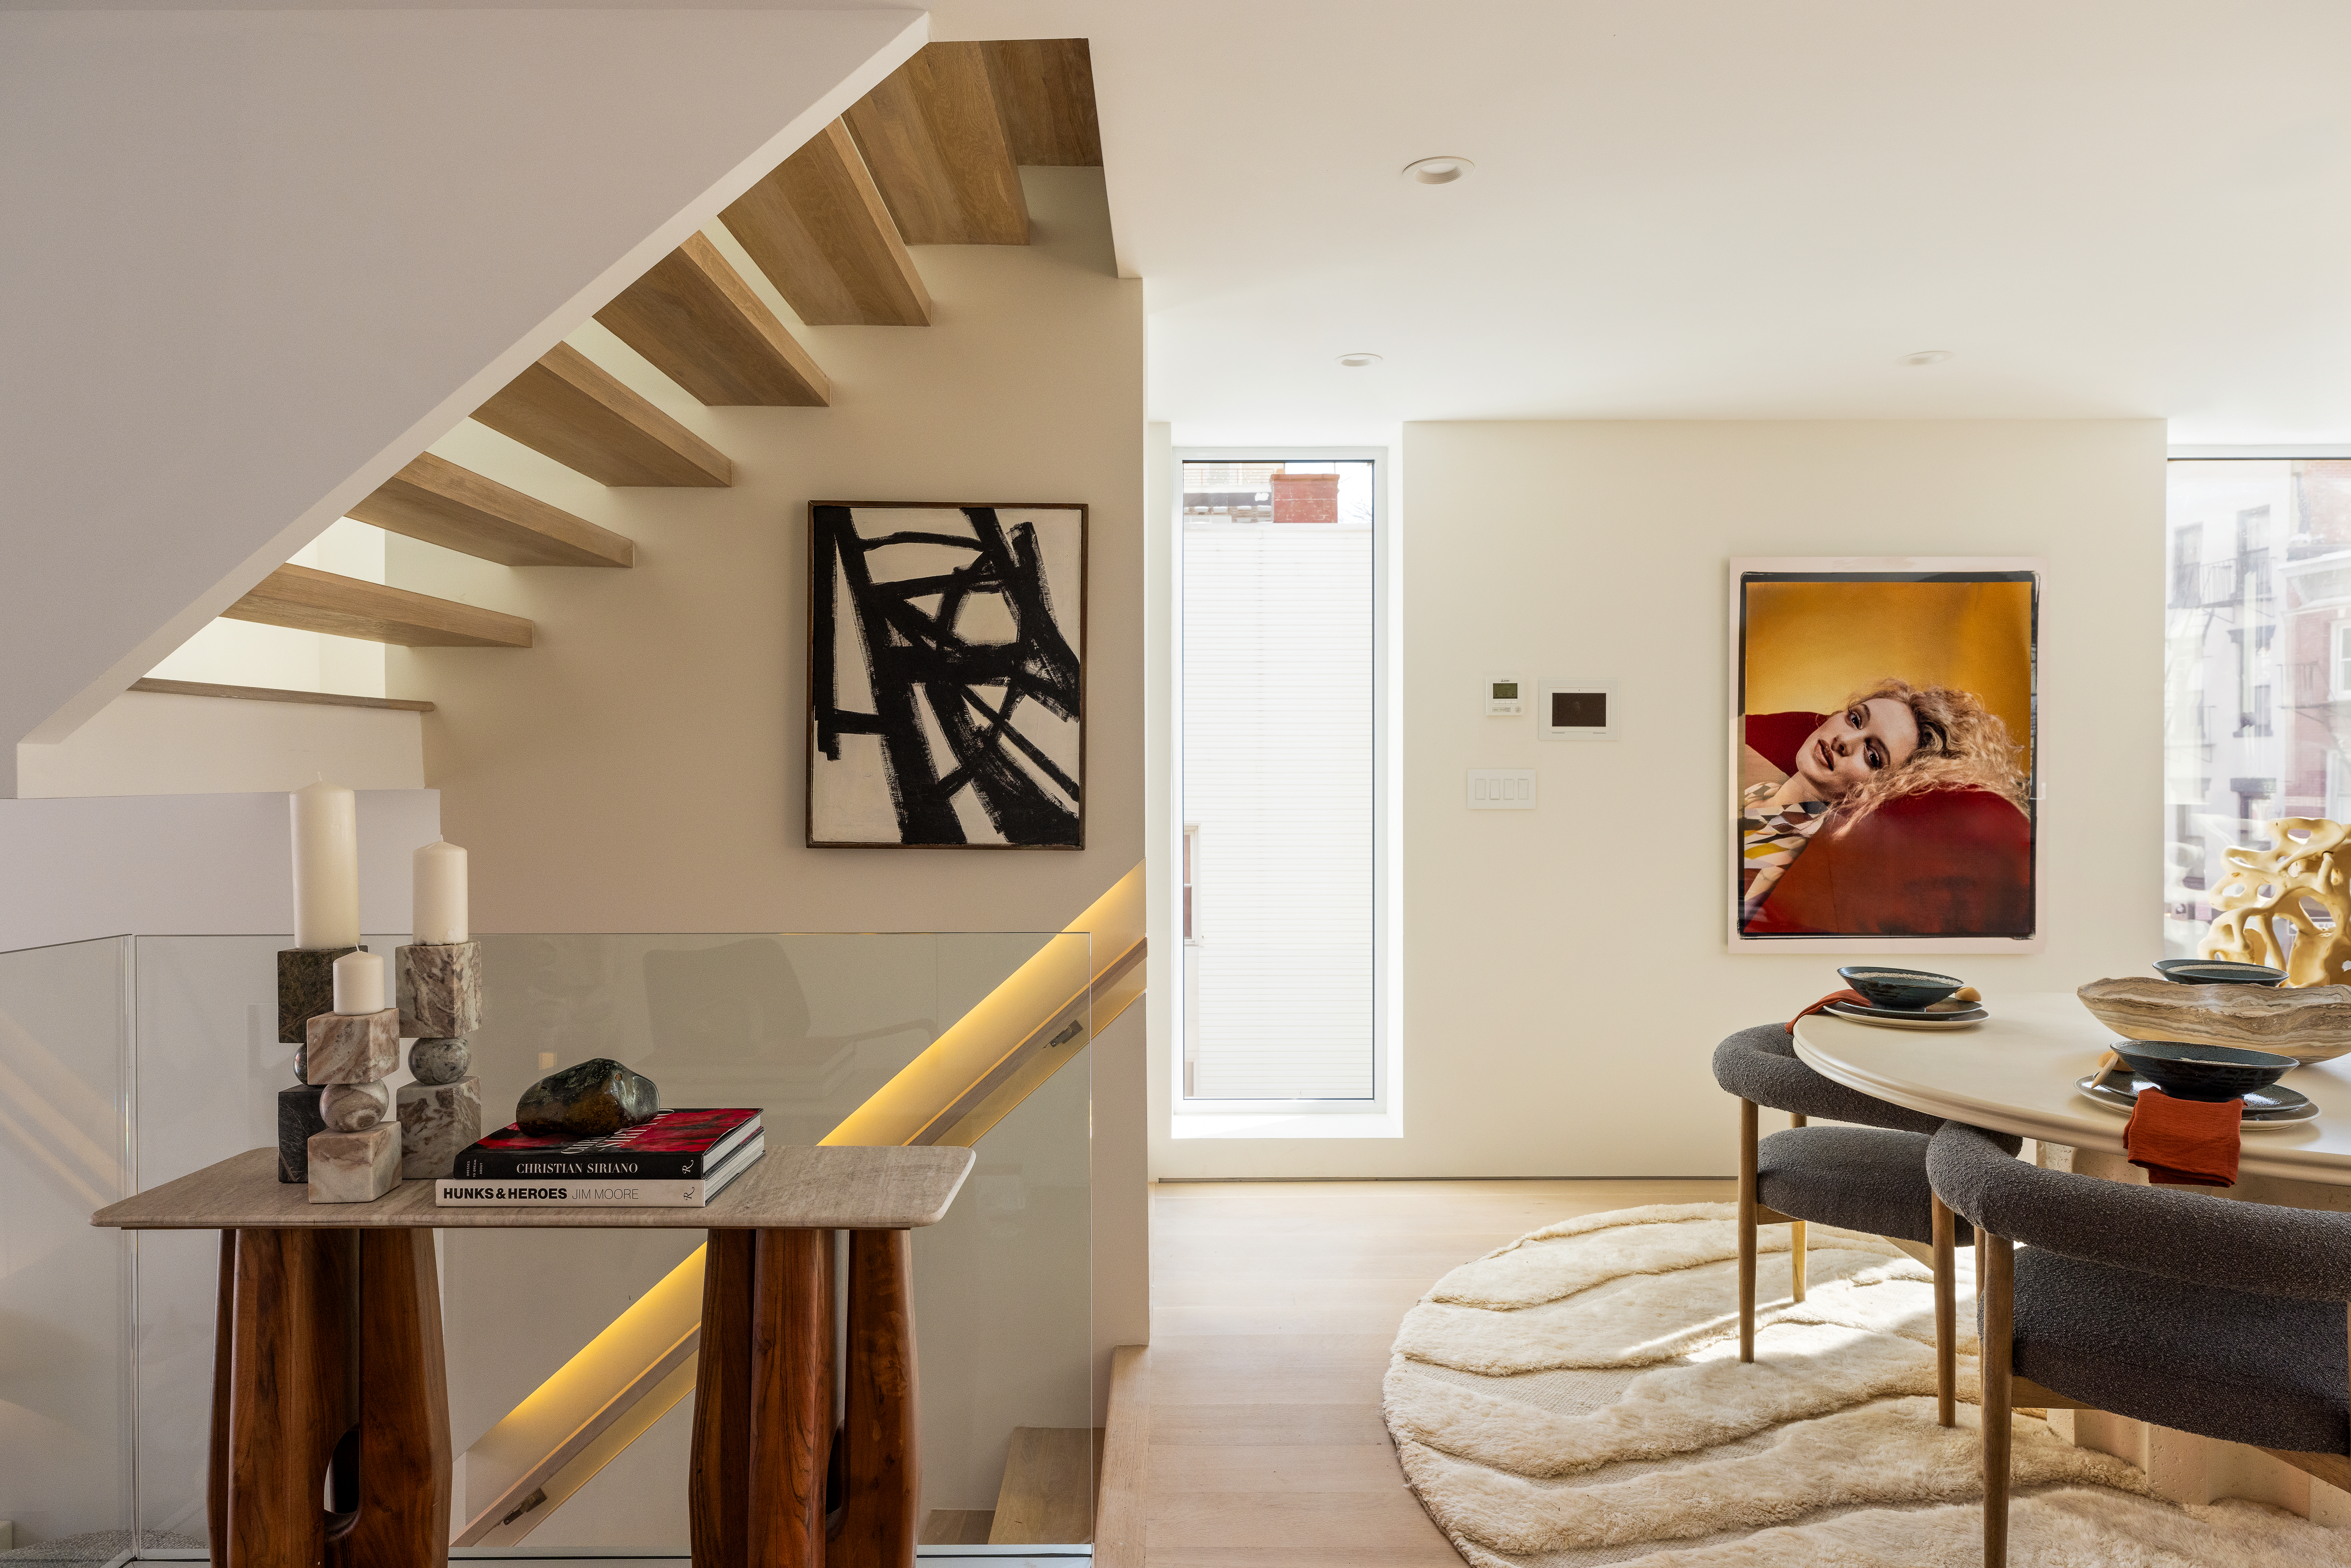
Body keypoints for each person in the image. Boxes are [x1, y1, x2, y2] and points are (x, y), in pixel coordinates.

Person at [1739, 678, 2032, 936]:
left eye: (1872, 756)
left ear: (1885, 789)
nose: (1844, 741)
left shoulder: (1806, 855)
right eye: (1855, 719)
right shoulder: (1746, 771)